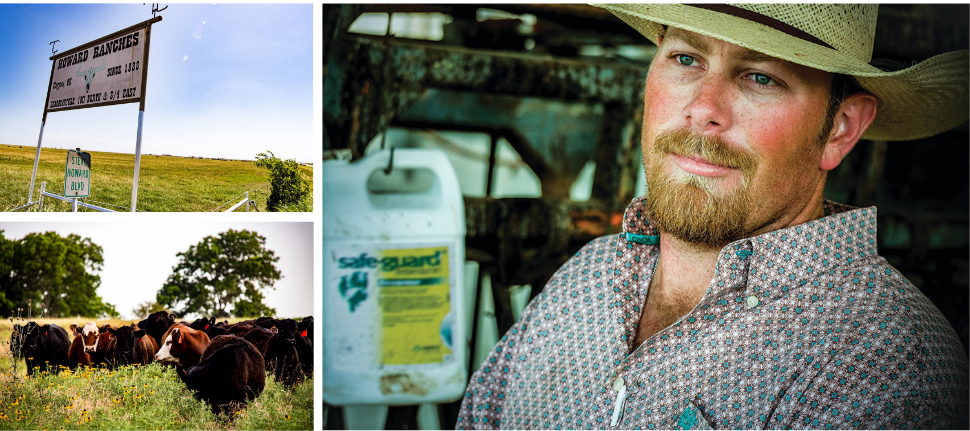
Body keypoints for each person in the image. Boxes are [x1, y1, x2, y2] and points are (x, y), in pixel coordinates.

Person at [456, 4, 969, 430]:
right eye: (685, 57)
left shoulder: (885, 362)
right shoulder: (588, 275)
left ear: (840, 128)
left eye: (761, 77)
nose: (704, 108)